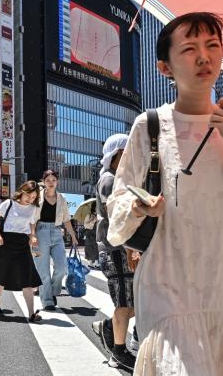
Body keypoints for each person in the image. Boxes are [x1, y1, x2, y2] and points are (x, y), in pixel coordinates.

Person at [106, 12, 223, 375]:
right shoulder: (150, 125)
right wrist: (141, 207)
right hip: (172, 279)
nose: (204, 57)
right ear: (165, 67)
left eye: (212, 46)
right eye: (189, 49)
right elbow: (119, 200)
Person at [91, 133, 138, 371]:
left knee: (132, 304)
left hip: (122, 248)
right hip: (115, 249)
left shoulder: (119, 178)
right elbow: (118, 218)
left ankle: (108, 328)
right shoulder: (109, 180)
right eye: (127, 151)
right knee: (124, 302)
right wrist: (130, 248)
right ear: (116, 154)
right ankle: (118, 352)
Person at [0, 181, 43, 322]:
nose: (30, 199)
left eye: (34, 197)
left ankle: (31, 313)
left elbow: (32, 222)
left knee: (27, 279)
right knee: (1, 277)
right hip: (6, 242)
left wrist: (32, 235)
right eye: (29, 195)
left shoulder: (33, 208)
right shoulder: (8, 203)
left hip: (22, 244)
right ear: (22, 191)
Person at [34, 170, 78, 311]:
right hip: (41, 232)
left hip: (57, 232)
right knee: (43, 270)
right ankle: (47, 301)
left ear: (57, 181)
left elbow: (66, 219)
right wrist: (32, 235)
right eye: (48, 180)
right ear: (44, 182)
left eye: (53, 180)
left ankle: (52, 291)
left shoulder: (61, 198)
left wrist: (72, 235)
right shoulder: (38, 197)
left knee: (61, 267)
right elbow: (32, 219)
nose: (51, 183)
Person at [82, 202, 99, 267]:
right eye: (96, 207)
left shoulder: (99, 215)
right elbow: (85, 225)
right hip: (90, 234)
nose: (97, 208)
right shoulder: (88, 215)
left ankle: (96, 262)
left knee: (96, 247)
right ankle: (90, 263)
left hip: (97, 233)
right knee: (89, 247)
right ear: (93, 207)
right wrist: (92, 220)